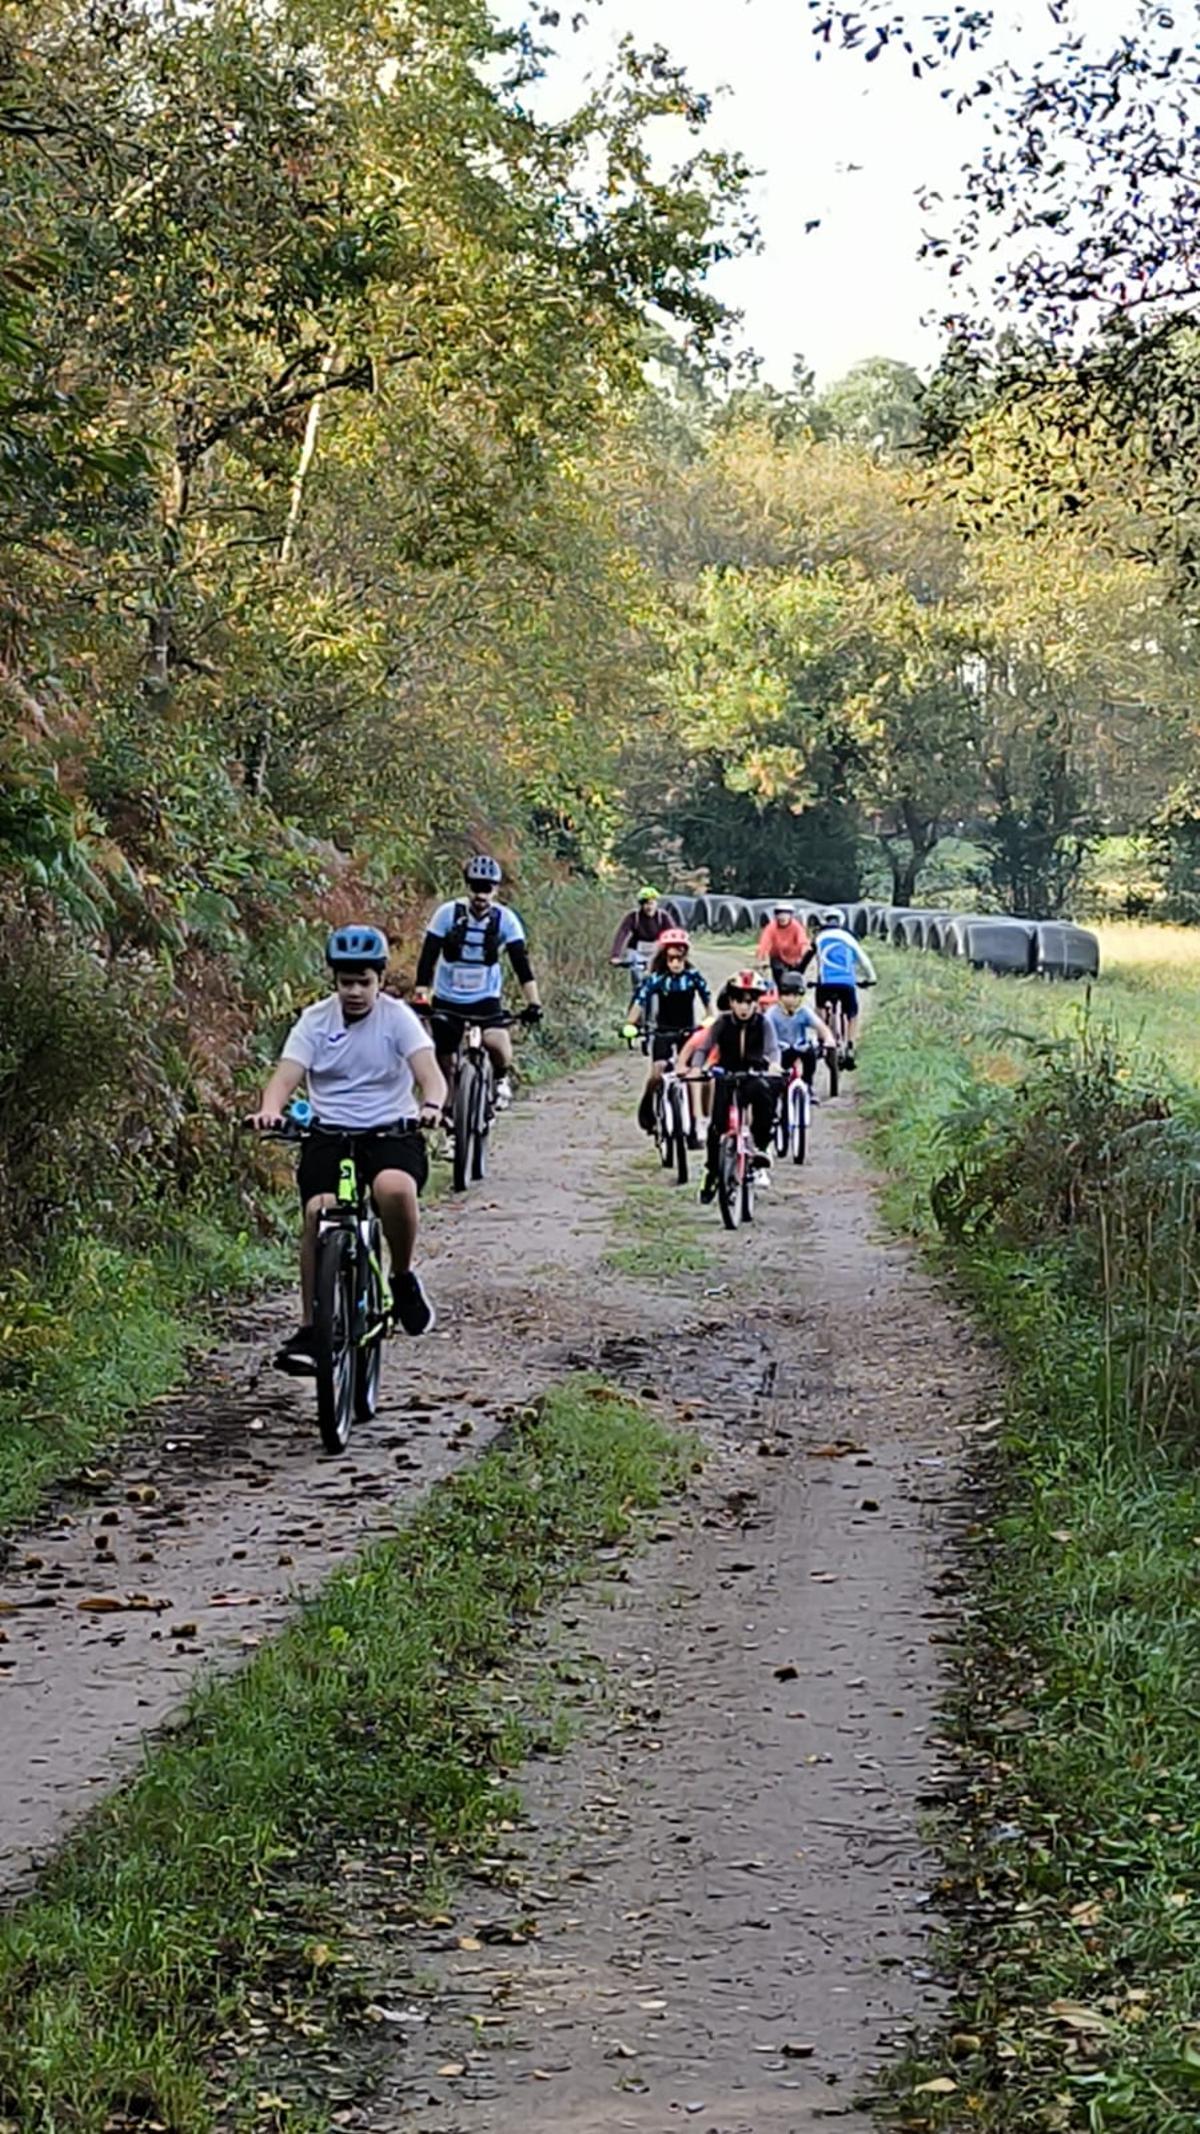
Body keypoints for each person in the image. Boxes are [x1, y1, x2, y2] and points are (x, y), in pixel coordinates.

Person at [248, 924, 446, 1374]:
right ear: (334, 981)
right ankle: (311, 1327)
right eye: (346, 982)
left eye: (364, 982)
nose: (354, 992)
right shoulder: (315, 1020)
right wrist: (270, 1110)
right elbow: (285, 1076)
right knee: (318, 1213)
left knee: (394, 1189)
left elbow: (430, 1075)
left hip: (391, 1132)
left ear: (380, 980)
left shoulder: (398, 1019)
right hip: (330, 1135)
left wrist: (432, 1106)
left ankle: (401, 1276)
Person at [412, 856, 543, 1111]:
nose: (480, 895)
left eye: (487, 888)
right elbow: (428, 957)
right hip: (447, 998)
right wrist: (421, 995)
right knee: (446, 1058)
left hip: (485, 998)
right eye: (475, 887)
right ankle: (450, 1110)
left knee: (497, 1043)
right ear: (467, 887)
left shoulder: (506, 920)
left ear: (496, 890)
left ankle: (501, 1079)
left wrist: (534, 1003)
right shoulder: (447, 914)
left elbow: (521, 964)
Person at [677, 969, 780, 1204]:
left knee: (764, 1097)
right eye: (739, 1001)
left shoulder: (763, 1023)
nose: (745, 1007)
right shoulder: (722, 1023)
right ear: (731, 1002)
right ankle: (713, 1172)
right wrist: (697, 1067)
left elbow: (773, 1049)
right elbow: (704, 1048)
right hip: (726, 1075)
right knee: (717, 1128)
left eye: (750, 1001)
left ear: (757, 1002)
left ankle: (761, 1147)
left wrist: (774, 1065)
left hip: (753, 1075)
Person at [622, 929, 712, 1137]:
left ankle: (698, 1119)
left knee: (695, 1074)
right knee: (657, 1071)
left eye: (680, 958)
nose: (676, 963)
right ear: (665, 958)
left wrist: (709, 1019)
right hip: (662, 1031)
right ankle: (648, 1110)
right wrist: (631, 1024)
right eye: (671, 959)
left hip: (688, 1032)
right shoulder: (656, 979)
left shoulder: (693, 977)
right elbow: (640, 1002)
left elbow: (708, 1001)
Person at [800, 908, 877, 1066]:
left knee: (820, 1006)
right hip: (846, 983)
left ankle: (821, 1041)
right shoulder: (848, 937)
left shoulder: (819, 937)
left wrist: (799, 974)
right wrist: (871, 978)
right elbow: (864, 961)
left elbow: (806, 959)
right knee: (852, 1013)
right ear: (841, 922)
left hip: (825, 983)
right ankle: (850, 1045)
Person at [765, 972, 835, 1090]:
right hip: (781, 1050)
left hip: (800, 1047)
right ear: (780, 996)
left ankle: (808, 1084)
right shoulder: (772, 1013)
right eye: (788, 995)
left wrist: (828, 1038)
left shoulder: (803, 1011)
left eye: (796, 995)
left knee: (810, 1054)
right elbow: (765, 1031)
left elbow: (820, 1026)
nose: (792, 999)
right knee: (778, 1077)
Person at [610, 886, 673, 969]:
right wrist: (615, 955)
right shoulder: (633, 917)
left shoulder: (663, 916)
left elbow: (672, 934)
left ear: (656, 903)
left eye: (652, 903)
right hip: (636, 953)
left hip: (656, 952)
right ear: (641, 905)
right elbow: (622, 934)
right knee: (636, 972)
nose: (649, 907)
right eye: (646, 904)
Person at [755, 901, 811, 990]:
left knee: (794, 980)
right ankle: (780, 991)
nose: (782, 917)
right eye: (780, 914)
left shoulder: (796, 926)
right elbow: (764, 942)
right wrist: (761, 958)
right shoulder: (771, 927)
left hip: (794, 957)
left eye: (785, 914)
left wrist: (803, 955)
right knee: (779, 976)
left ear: (790, 916)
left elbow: (803, 942)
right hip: (777, 956)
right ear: (776, 916)